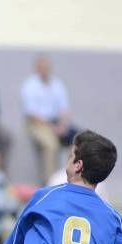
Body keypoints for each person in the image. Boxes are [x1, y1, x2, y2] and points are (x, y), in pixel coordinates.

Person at [20, 55, 76, 183]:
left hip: (57, 123)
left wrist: (63, 125)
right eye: (42, 67)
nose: (45, 70)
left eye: (47, 67)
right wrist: (53, 127)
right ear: (37, 68)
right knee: (51, 145)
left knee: (78, 140)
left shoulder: (57, 84)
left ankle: (72, 177)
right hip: (37, 124)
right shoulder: (29, 86)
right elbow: (31, 114)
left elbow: (64, 108)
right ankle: (50, 181)